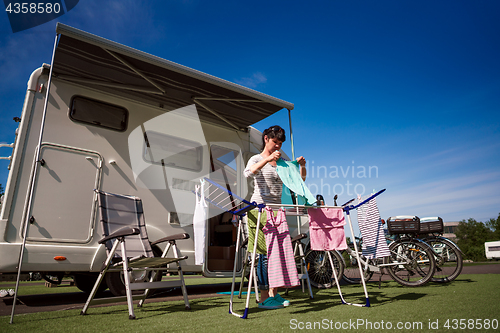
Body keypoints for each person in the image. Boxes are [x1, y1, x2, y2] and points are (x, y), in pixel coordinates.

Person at [243, 125, 306, 309]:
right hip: (260, 211)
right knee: (263, 255)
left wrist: (301, 166)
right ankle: (263, 299)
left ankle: (274, 294)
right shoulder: (256, 158)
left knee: (276, 255)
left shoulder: (282, 163)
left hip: (277, 213)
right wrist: (268, 159)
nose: (277, 146)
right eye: (275, 142)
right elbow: (248, 173)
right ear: (266, 139)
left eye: (279, 143)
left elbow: (299, 182)